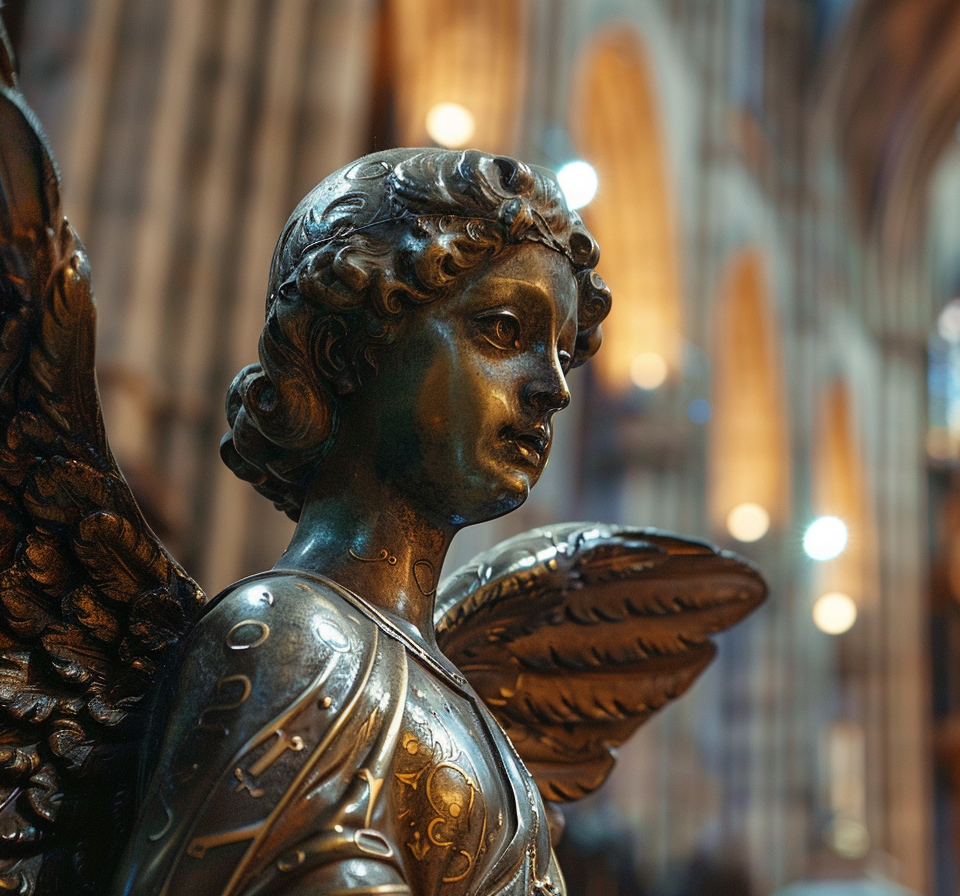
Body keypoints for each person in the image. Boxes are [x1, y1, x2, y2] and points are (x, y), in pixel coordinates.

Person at [111, 148, 608, 895]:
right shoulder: (292, 640)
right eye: (504, 330)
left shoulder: (449, 693)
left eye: (563, 352)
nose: (554, 388)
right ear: (347, 351)